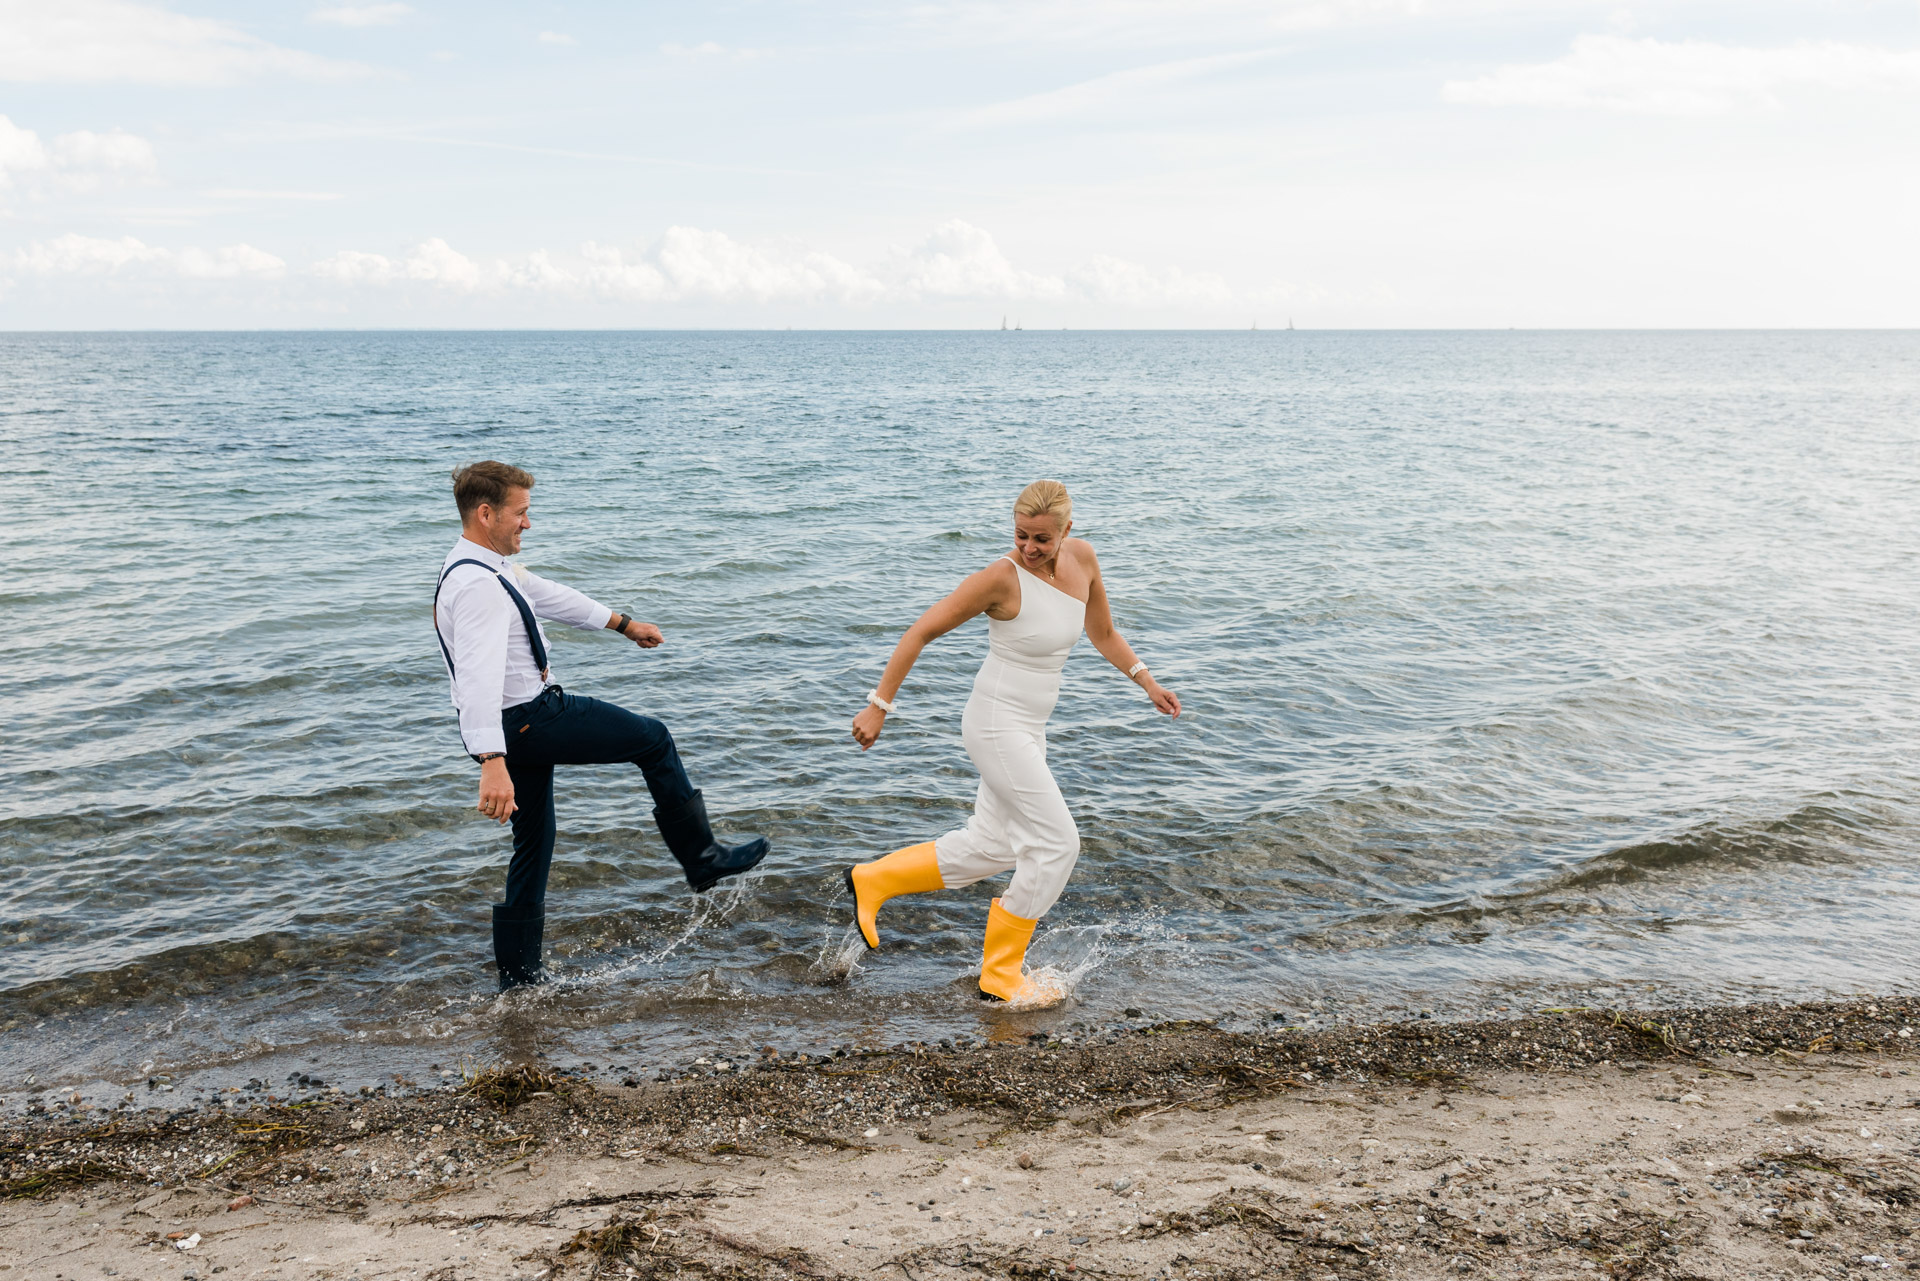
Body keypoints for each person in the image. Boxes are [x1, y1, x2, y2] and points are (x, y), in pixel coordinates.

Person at [434, 461, 769, 991]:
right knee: (652, 739)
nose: (528, 523)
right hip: (528, 719)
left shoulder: (486, 567)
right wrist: (491, 762)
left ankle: (519, 980)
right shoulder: (478, 586)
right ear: (485, 513)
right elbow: (474, 679)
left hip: (511, 726)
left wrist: (624, 624)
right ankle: (702, 858)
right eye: (520, 513)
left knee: (534, 841)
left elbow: (548, 595)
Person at [846, 480, 1179, 1006]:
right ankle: (999, 976)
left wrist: (1147, 681)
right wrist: (879, 705)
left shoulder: (1085, 560)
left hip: (1030, 726)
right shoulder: (1000, 578)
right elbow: (919, 632)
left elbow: (1103, 633)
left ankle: (874, 880)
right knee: (1057, 844)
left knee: (994, 845)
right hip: (995, 723)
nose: (1029, 547)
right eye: (1021, 535)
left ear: (1067, 532)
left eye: (1042, 539)